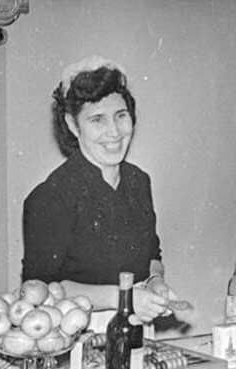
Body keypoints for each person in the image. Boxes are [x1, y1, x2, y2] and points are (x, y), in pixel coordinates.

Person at [22, 56, 176, 323]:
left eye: (121, 116)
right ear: (73, 124)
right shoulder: (51, 196)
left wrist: (155, 282)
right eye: (97, 120)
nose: (114, 132)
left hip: (137, 324)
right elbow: (44, 288)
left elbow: (152, 256)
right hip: (77, 333)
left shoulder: (139, 181)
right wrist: (125, 297)